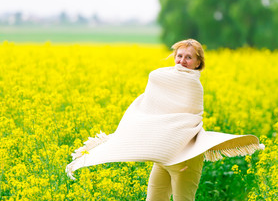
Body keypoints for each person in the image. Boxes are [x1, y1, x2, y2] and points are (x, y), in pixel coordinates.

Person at [66, 39, 264, 201]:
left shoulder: (194, 86)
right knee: (154, 198)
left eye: (189, 57)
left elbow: (187, 121)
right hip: (164, 156)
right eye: (179, 56)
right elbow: (154, 111)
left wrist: (183, 158)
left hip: (185, 158)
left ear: (198, 63)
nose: (182, 60)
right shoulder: (165, 78)